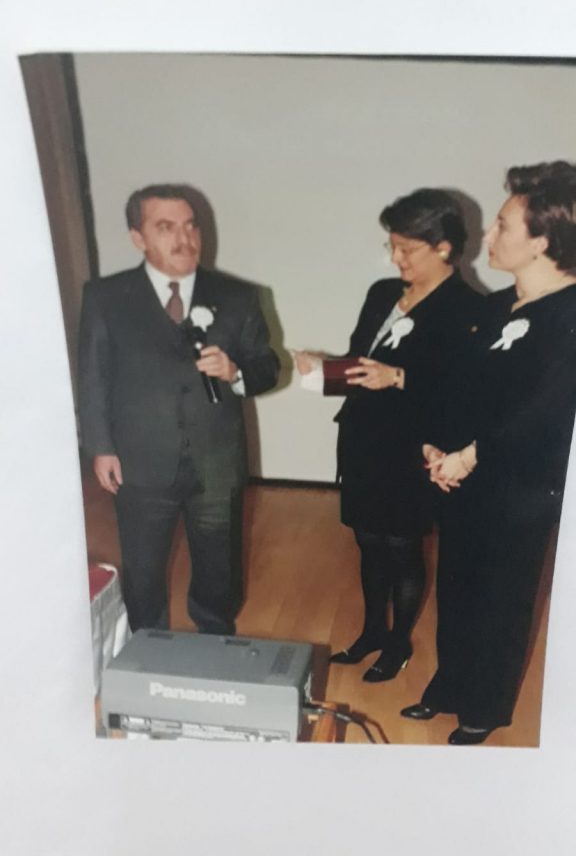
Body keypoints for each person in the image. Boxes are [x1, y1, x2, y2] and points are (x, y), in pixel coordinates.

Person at [401, 161, 576, 744]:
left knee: (503, 598)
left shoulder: (569, 315)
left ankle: (484, 707)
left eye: (502, 225)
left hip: (519, 484)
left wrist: (472, 455)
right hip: (463, 476)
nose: (489, 235)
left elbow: (547, 413)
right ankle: (450, 685)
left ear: (542, 241)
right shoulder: (497, 306)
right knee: (457, 586)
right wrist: (436, 445)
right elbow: (458, 388)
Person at [294, 189, 481, 681]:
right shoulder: (383, 293)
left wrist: (398, 377)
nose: (396, 258)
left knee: (402, 547)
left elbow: (461, 391)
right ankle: (372, 632)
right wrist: (322, 368)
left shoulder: (466, 309)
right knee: (368, 541)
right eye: (391, 246)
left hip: (412, 445)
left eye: (407, 249)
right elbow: (361, 360)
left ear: (443, 247)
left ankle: (399, 644)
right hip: (363, 437)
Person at [78, 184, 279, 635]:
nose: (184, 239)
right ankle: (147, 649)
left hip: (216, 459)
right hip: (139, 460)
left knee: (219, 571)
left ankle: (215, 645)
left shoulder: (238, 296)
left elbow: (268, 367)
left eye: (191, 226)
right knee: (144, 571)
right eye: (166, 227)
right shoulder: (106, 297)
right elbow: (92, 378)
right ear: (138, 237)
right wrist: (101, 447)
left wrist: (236, 371)